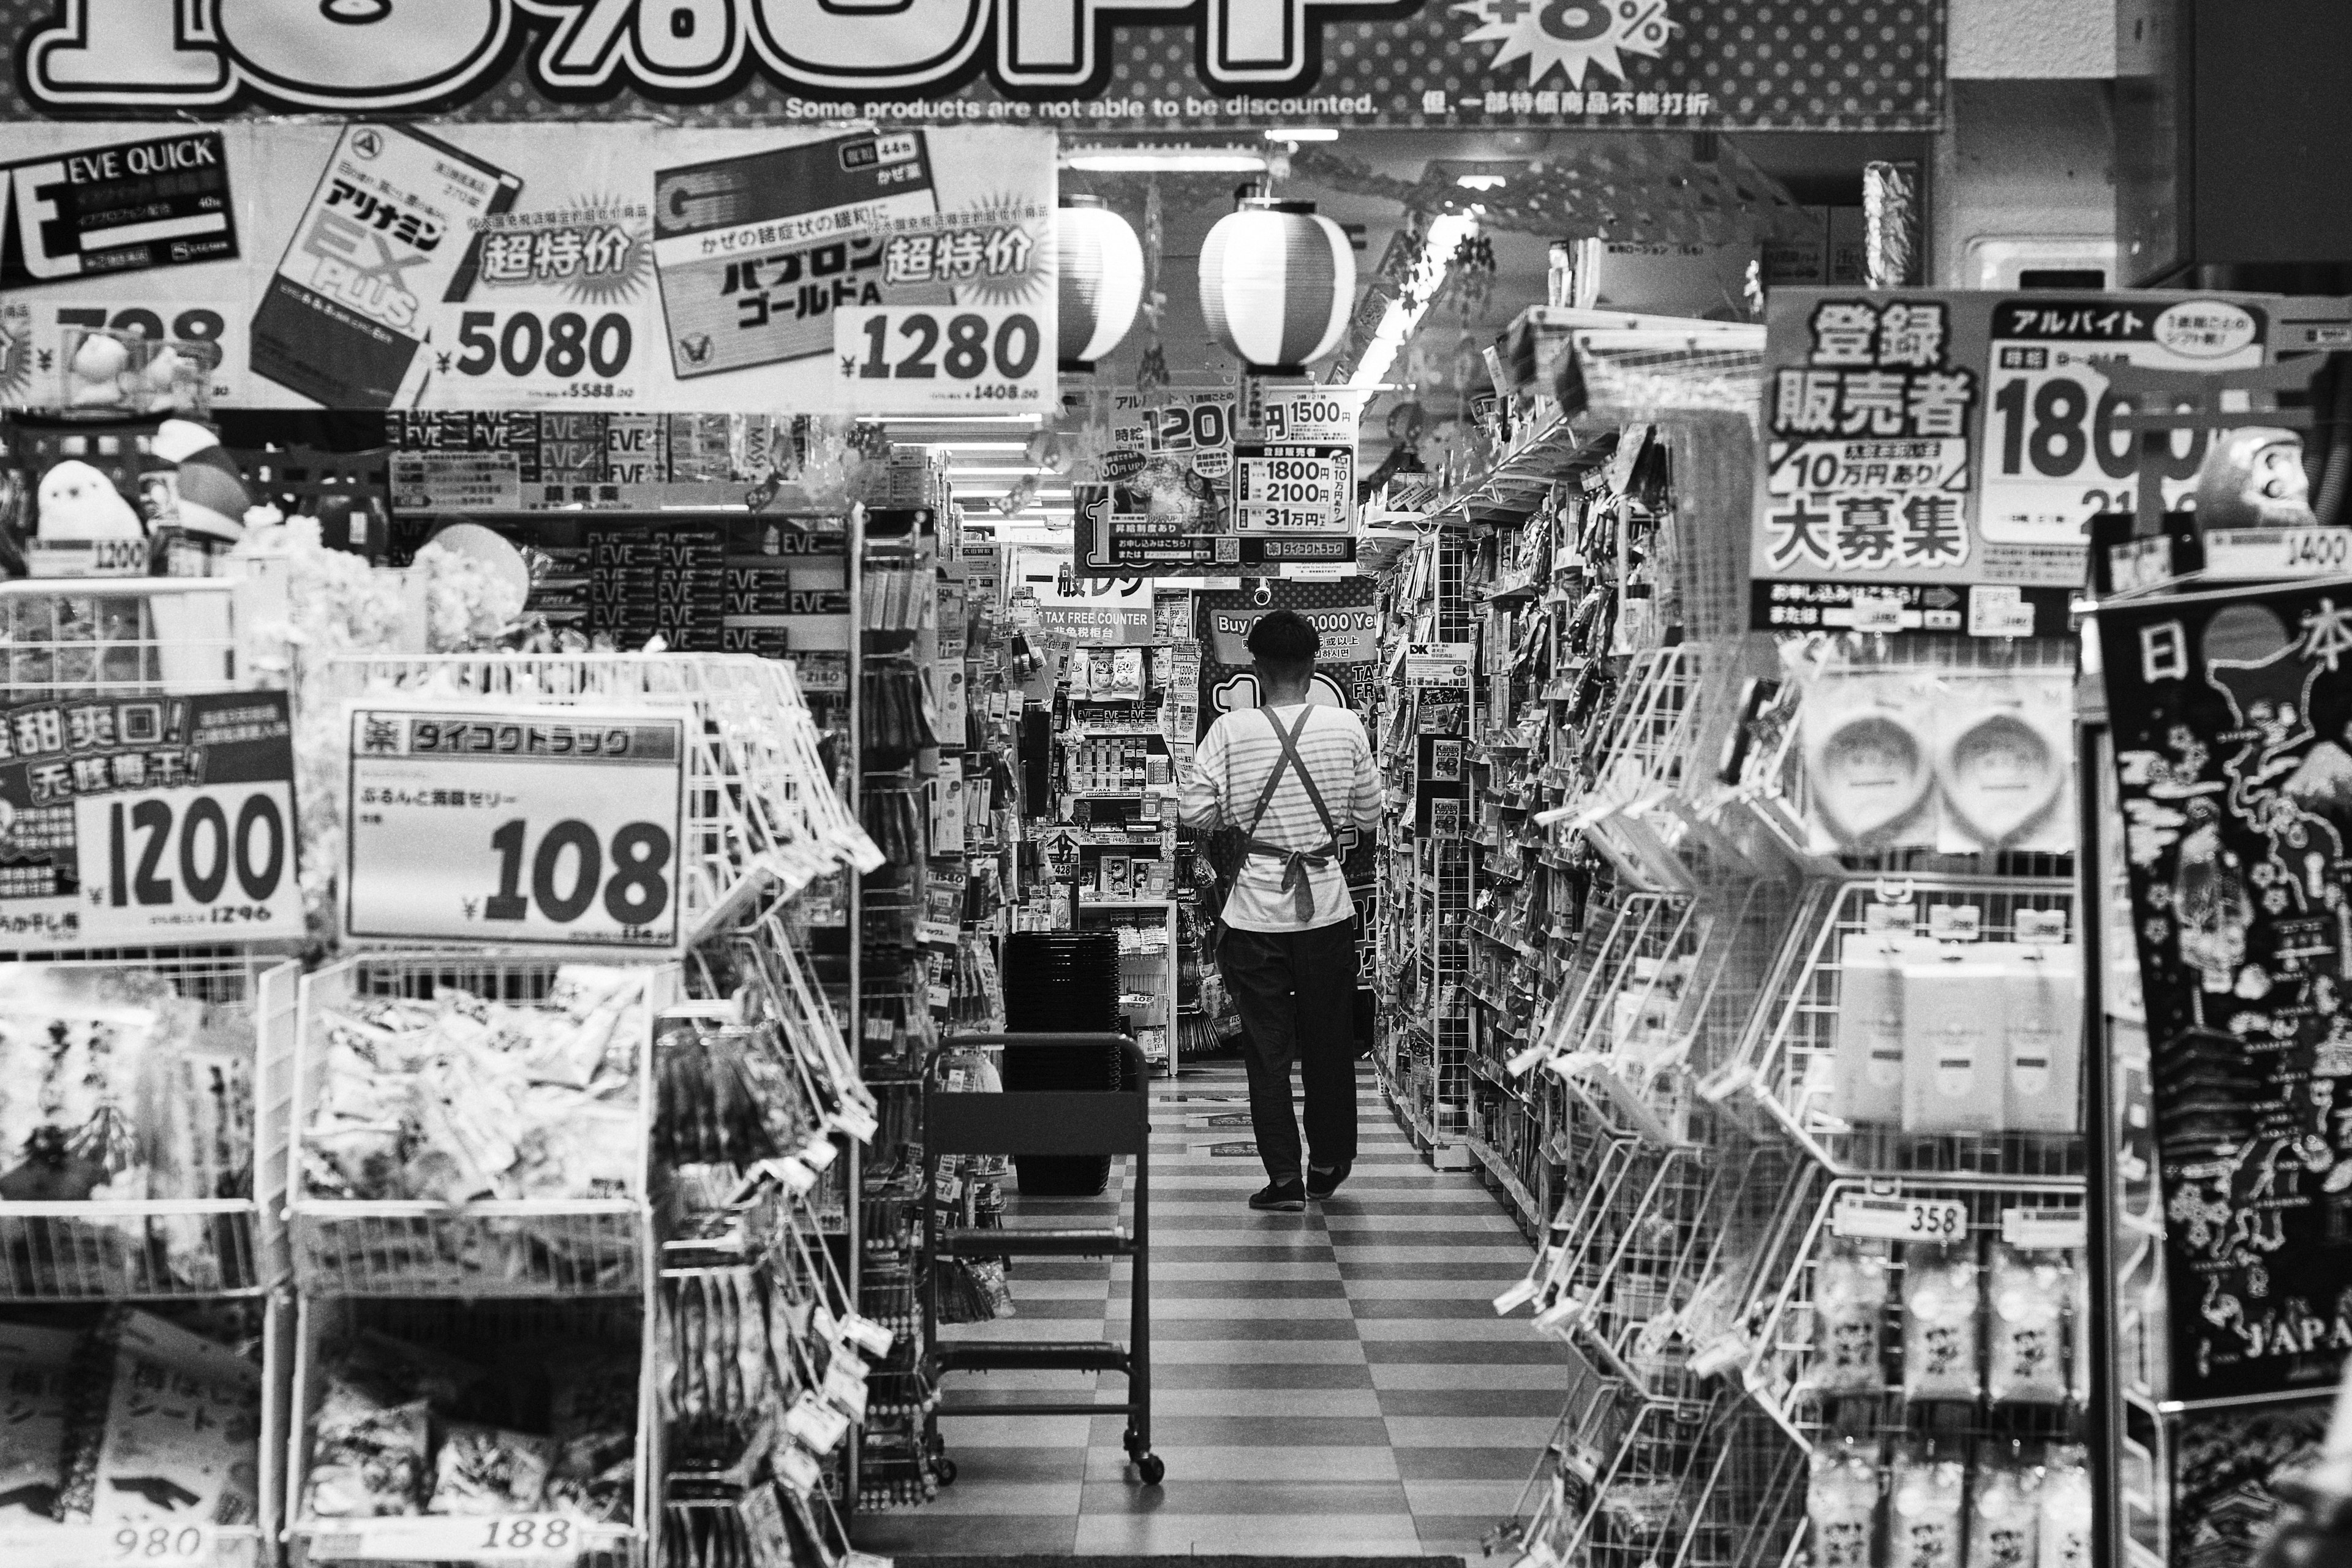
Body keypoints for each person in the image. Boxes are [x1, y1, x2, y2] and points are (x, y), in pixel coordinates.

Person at [1178, 609, 1381, 1212]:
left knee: (1265, 1052)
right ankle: (1328, 1163)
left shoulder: (1231, 732)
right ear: (1314, 664)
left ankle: (1283, 1178)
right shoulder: (1346, 727)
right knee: (1327, 1043)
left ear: (1258, 668)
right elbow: (1369, 814)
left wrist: (1238, 815)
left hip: (1253, 914)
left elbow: (1194, 812)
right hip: (1325, 908)